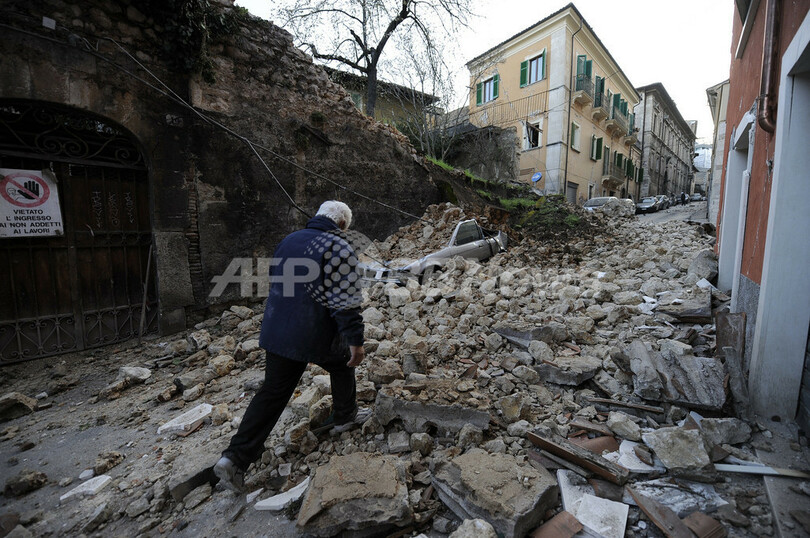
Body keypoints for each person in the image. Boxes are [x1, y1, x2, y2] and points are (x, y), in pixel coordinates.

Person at [214, 201, 368, 493]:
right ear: (342, 225)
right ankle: (345, 416)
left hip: (278, 331)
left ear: (319, 216)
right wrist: (355, 341)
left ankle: (233, 458)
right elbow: (345, 302)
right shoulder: (340, 247)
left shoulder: (288, 241)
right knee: (343, 362)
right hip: (314, 332)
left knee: (273, 392)